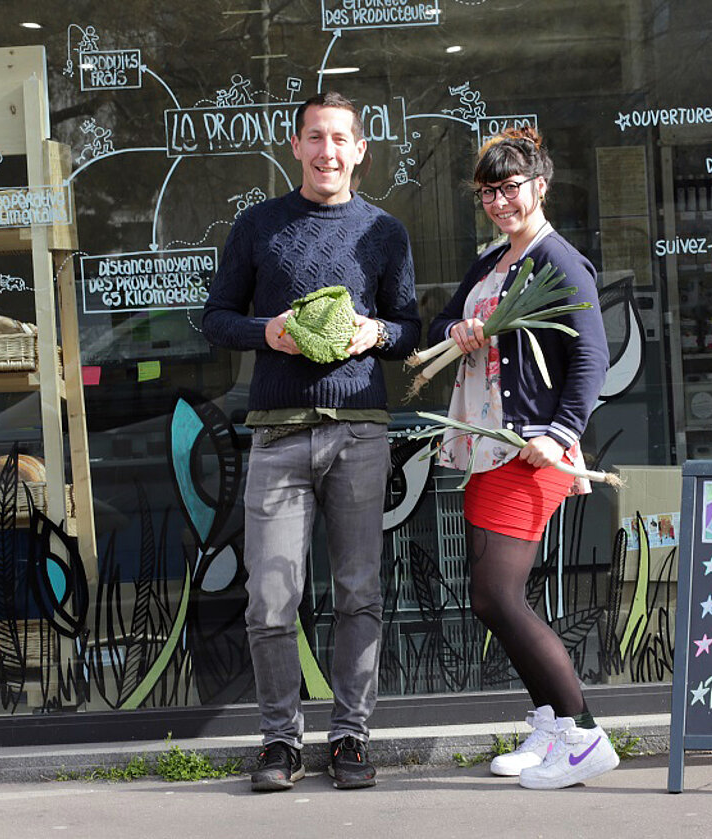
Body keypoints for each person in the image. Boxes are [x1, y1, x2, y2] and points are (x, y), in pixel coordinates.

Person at [202, 91, 420, 793]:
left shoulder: (384, 232)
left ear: (361, 150)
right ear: (294, 146)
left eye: (341, 140)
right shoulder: (259, 226)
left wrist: (377, 334)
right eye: (315, 138)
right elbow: (214, 318)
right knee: (270, 598)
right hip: (277, 435)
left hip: (359, 433)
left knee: (358, 592)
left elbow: (410, 326)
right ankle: (279, 740)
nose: (328, 152)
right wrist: (263, 331)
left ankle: (351, 735)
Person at [427, 127, 615, 790]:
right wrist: (456, 330)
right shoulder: (491, 262)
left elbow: (593, 356)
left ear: (540, 183)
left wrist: (561, 432)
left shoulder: (560, 262)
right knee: (490, 597)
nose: (501, 200)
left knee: (498, 594)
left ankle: (584, 732)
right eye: (489, 190)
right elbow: (439, 326)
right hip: (490, 448)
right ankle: (550, 722)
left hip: (534, 449)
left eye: (511, 186)